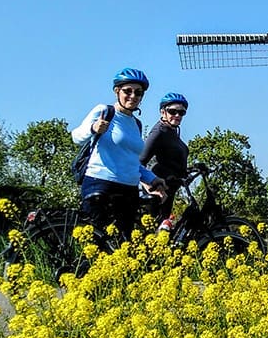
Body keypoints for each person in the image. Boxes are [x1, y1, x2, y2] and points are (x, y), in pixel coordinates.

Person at [71, 68, 167, 238]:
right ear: (117, 91)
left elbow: (131, 161)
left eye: (138, 92)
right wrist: (93, 128)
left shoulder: (136, 124)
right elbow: (76, 136)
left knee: (124, 242)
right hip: (101, 182)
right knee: (97, 240)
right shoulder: (105, 112)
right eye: (127, 91)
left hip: (128, 188)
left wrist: (152, 179)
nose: (133, 96)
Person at [139, 92, 190, 221]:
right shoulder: (159, 132)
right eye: (172, 111)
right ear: (163, 112)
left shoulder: (172, 131)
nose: (177, 115)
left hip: (171, 188)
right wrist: (150, 188)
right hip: (159, 190)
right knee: (154, 231)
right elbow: (139, 162)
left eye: (181, 112)